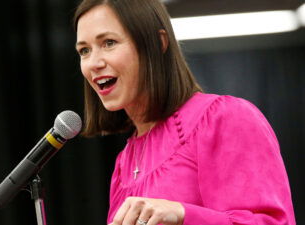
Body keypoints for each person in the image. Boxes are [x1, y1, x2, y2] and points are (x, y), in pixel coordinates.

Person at [73, 0, 296, 224]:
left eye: (109, 42)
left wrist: (182, 214)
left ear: (158, 43)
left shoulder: (225, 117)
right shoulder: (125, 163)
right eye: (84, 50)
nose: (93, 63)